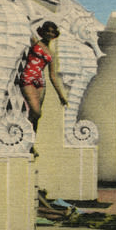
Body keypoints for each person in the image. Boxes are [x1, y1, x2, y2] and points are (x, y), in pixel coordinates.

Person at [18, 21, 68, 151]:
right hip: (28, 77)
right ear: (43, 31)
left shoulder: (51, 54)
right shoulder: (35, 42)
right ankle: (23, 135)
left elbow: (52, 76)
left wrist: (61, 96)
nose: (50, 34)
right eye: (48, 31)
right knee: (36, 112)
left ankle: (30, 144)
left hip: (40, 82)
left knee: (36, 118)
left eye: (52, 32)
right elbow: (26, 28)